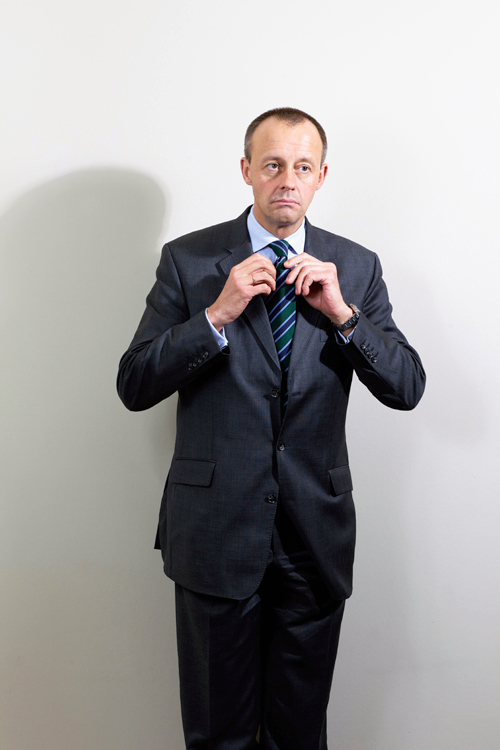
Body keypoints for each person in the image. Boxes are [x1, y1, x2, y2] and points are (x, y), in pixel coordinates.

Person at [117, 107, 425, 750]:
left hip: (313, 538)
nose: (288, 179)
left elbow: (407, 388)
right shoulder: (188, 261)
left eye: (303, 166)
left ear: (321, 177)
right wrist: (216, 315)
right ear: (247, 170)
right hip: (214, 534)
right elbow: (135, 383)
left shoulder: (356, 267)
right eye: (273, 164)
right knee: (218, 736)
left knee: (300, 736)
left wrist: (344, 317)